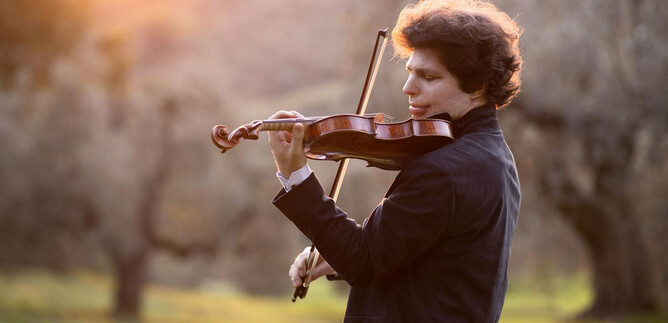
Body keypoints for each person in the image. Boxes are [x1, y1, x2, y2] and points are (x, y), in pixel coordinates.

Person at [268, 0, 522, 321]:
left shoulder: (444, 171)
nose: (408, 88)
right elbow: (432, 257)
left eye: (428, 77)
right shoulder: (494, 155)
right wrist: (333, 256)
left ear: (478, 86)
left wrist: (295, 176)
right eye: (410, 72)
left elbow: (364, 260)